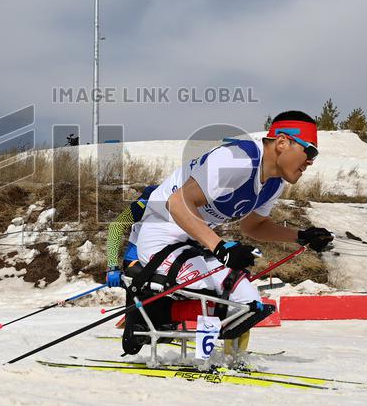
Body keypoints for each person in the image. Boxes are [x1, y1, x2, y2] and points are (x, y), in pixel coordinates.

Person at [128, 111, 334, 344]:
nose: (311, 161)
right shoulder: (237, 159)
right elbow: (178, 203)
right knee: (223, 295)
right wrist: (221, 248)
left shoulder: (273, 184)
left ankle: (229, 358)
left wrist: (301, 236)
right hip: (161, 236)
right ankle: (150, 318)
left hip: (193, 242)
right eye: (310, 151)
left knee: (248, 300)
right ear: (283, 142)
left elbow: (254, 226)